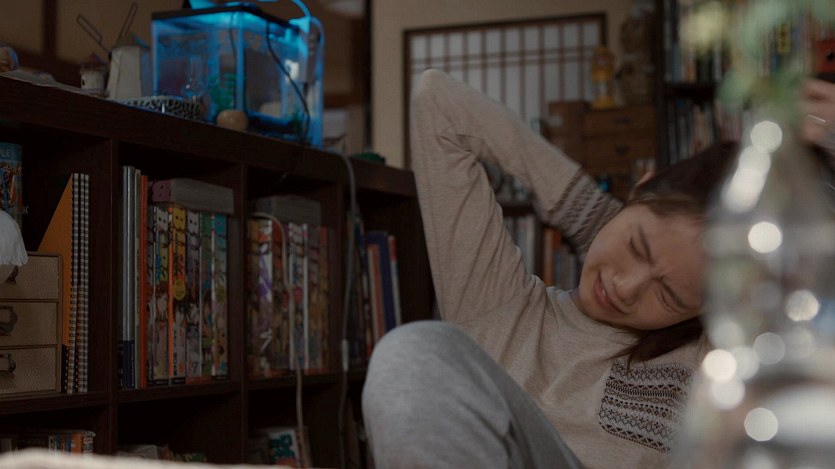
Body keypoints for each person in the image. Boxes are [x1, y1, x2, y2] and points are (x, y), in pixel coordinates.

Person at [361, 69, 739, 469]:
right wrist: (594, 215)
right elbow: (438, 102)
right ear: (638, 191)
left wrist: (624, 231)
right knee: (409, 351)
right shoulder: (499, 306)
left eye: (668, 295)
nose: (626, 288)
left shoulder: (709, 359)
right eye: (636, 247)